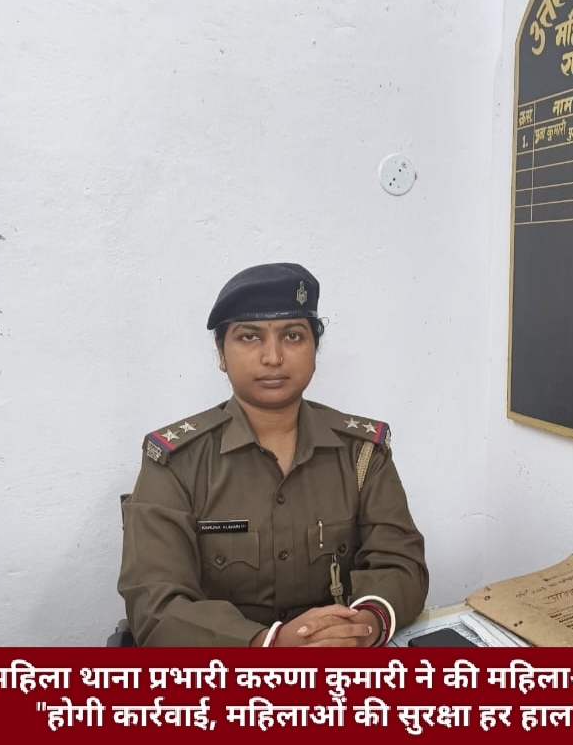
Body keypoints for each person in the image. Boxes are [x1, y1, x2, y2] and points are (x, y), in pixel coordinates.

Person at [118, 262, 428, 646]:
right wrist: (270, 645)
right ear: (221, 353)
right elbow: (156, 604)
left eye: (293, 336)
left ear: (315, 349)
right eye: (249, 337)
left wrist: (365, 625)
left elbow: (401, 563)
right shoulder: (176, 462)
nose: (273, 357)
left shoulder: (362, 454)